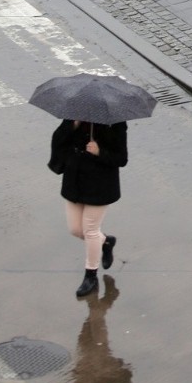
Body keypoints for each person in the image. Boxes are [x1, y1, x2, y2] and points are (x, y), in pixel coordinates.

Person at [48, 119, 128, 299]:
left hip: (100, 185)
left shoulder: (115, 123)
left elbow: (121, 158)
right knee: (76, 229)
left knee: (90, 231)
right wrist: (72, 126)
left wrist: (99, 152)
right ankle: (106, 242)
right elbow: (57, 140)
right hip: (74, 181)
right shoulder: (75, 117)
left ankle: (90, 276)